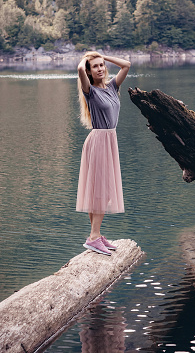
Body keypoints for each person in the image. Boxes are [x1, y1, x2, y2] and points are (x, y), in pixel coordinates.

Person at [76, 51, 131, 256]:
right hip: (99, 140)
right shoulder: (89, 90)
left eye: (101, 65)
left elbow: (126, 65)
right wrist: (86, 59)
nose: (100, 68)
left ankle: (95, 236)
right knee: (101, 192)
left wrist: (104, 56)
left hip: (109, 140)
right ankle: (93, 238)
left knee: (99, 191)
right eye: (95, 66)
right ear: (90, 71)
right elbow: (80, 69)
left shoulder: (112, 87)